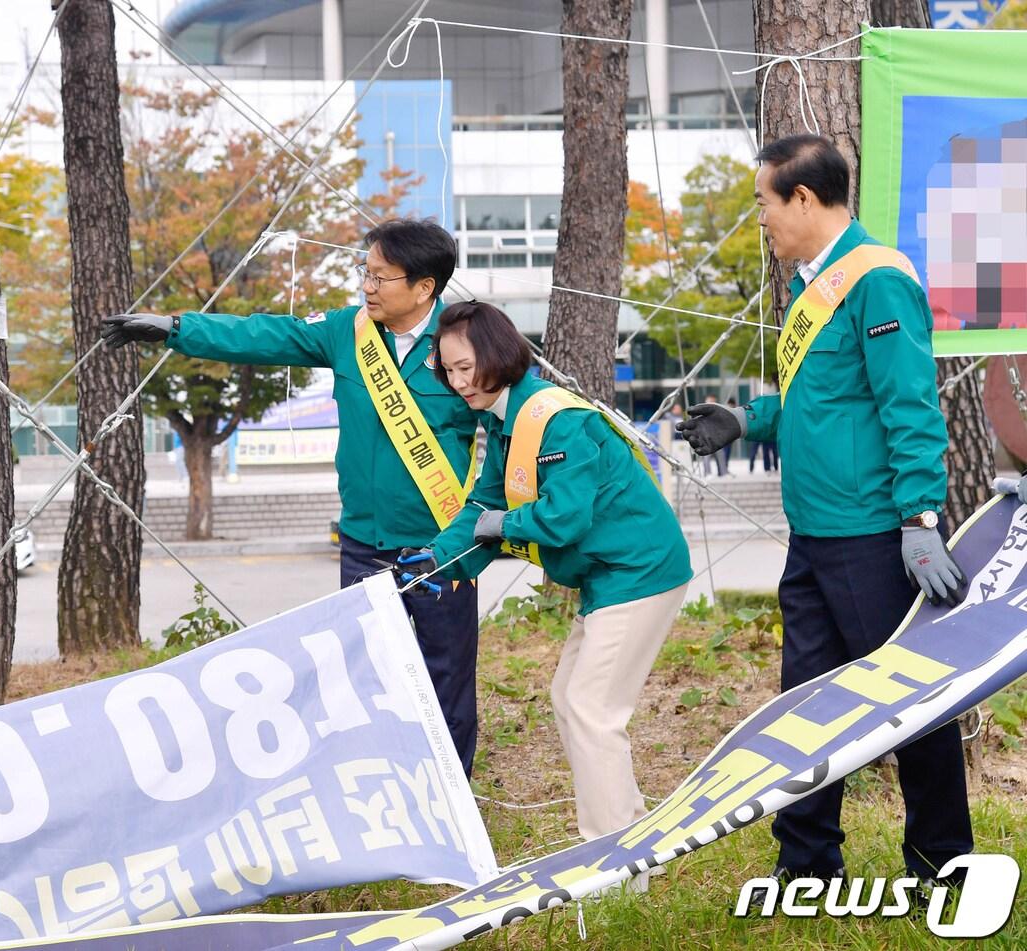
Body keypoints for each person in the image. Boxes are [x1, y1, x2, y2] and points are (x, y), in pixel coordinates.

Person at [677, 134, 972, 888]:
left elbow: (908, 404)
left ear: (803, 199)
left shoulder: (875, 279)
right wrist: (747, 421)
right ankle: (807, 861)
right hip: (813, 535)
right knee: (805, 706)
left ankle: (943, 865)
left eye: (764, 204)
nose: (762, 221)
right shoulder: (813, 288)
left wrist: (919, 519)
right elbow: (823, 402)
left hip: (874, 537)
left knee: (911, 708)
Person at [101, 219, 485, 773]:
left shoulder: (465, 342)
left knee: (447, 676)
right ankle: (386, 790)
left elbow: (503, 430)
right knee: (365, 678)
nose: (367, 287)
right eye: (365, 273)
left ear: (424, 287)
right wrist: (174, 328)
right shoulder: (346, 331)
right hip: (363, 544)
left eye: (381, 277)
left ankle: (453, 799)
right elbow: (263, 335)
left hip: (440, 544)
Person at [403, 301, 692, 853]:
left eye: (467, 368)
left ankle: (613, 864)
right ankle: (632, 835)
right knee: (570, 699)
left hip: (640, 571)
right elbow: (483, 504)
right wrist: (433, 562)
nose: (459, 382)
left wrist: (494, 526)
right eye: (449, 371)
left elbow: (564, 518)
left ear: (498, 355)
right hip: (609, 576)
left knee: (590, 708)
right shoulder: (506, 420)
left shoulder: (555, 417)